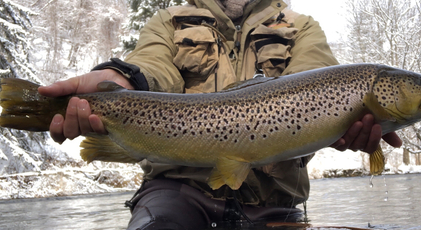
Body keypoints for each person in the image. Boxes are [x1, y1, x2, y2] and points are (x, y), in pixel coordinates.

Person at [38, 0, 402, 229]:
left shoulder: (300, 27)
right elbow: (150, 67)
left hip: (275, 199)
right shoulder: (169, 22)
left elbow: (315, 82)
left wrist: (346, 122)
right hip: (176, 193)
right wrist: (119, 80)